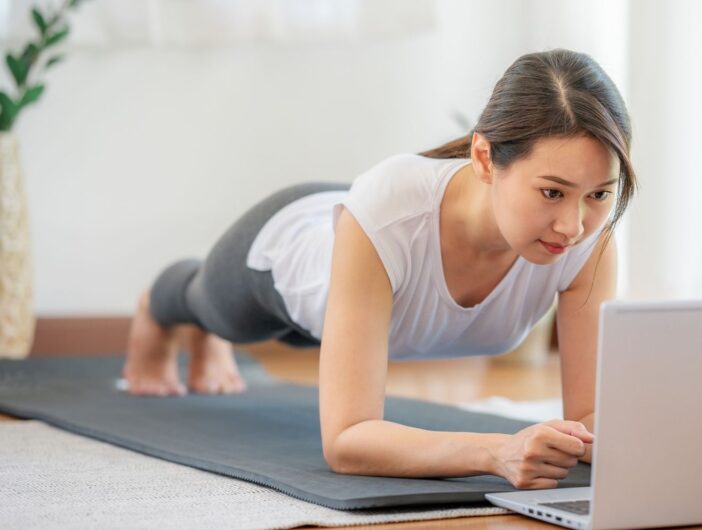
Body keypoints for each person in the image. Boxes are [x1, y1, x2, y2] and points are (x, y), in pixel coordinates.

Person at [121, 48, 637, 489]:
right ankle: (163, 315)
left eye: (598, 194)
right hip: (287, 252)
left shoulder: (590, 242)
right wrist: (495, 452)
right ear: (484, 158)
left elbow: (588, 420)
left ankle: (207, 337)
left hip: (362, 289)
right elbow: (346, 440)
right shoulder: (390, 209)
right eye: (552, 192)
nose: (573, 225)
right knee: (207, 306)